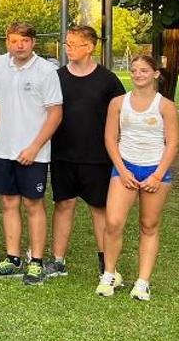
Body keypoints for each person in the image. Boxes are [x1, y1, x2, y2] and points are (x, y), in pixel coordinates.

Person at [0, 23, 62, 286]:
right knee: (8, 203)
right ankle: (13, 258)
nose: (19, 45)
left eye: (25, 41)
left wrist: (34, 147)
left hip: (33, 152)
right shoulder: (1, 69)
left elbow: (55, 114)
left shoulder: (46, 71)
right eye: (14, 40)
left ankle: (36, 261)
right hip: (4, 150)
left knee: (33, 204)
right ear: (7, 42)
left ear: (33, 42)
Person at [96, 55, 178, 301]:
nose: (138, 74)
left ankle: (142, 282)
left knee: (149, 225)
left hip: (155, 171)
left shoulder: (165, 106)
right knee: (113, 223)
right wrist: (122, 170)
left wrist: (157, 175)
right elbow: (110, 138)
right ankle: (109, 275)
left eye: (144, 70)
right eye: (134, 70)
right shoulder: (118, 103)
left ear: (155, 74)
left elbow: (172, 143)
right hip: (125, 168)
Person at [47, 25, 125, 279]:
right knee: (63, 205)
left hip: (97, 158)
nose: (68, 49)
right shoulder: (57, 77)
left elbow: (121, 117)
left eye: (74, 44)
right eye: (67, 44)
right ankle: (57, 260)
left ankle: (106, 263)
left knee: (99, 208)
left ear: (90, 47)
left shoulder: (108, 80)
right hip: (62, 155)